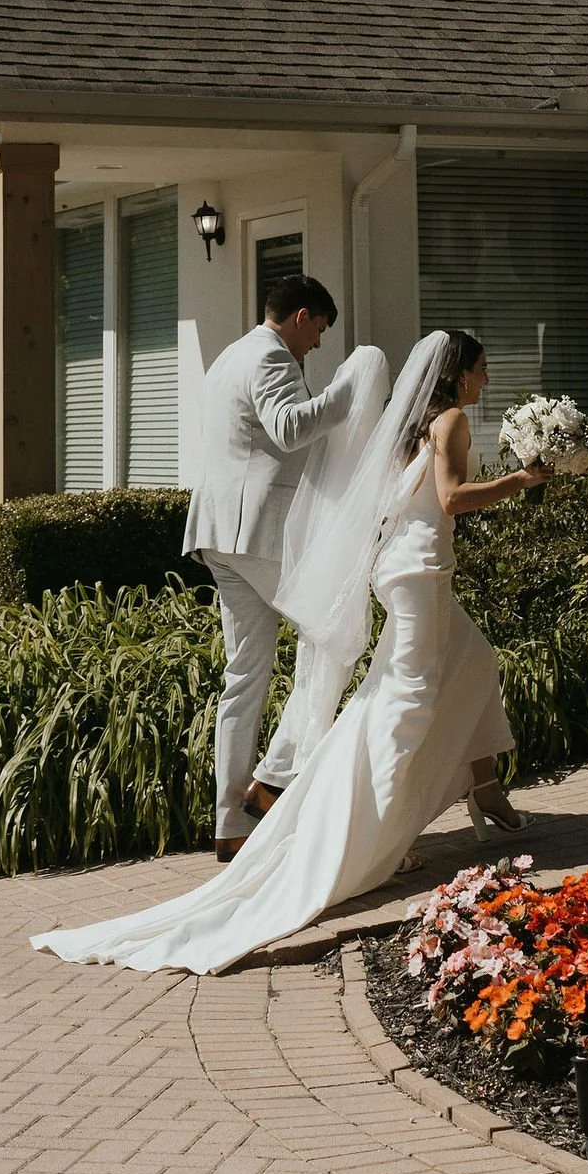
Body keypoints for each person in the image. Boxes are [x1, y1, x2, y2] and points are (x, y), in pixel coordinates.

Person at [32, 328, 547, 976]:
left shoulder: (413, 424)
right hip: (420, 575)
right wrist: (523, 479)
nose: (487, 380)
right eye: (482, 368)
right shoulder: (450, 422)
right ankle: (370, 840)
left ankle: (484, 786)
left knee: (472, 659)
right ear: (458, 374)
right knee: (404, 705)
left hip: (404, 570)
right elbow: (450, 500)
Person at [181, 270, 368, 860]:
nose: (317, 344)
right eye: (319, 331)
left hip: (218, 535)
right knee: (334, 634)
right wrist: (348, 392)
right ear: (301, 316)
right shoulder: (270, 357)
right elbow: (288, 430)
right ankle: (273, 781)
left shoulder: (228, 357)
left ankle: (229, 822)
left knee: (244, 676)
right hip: (257, 534)